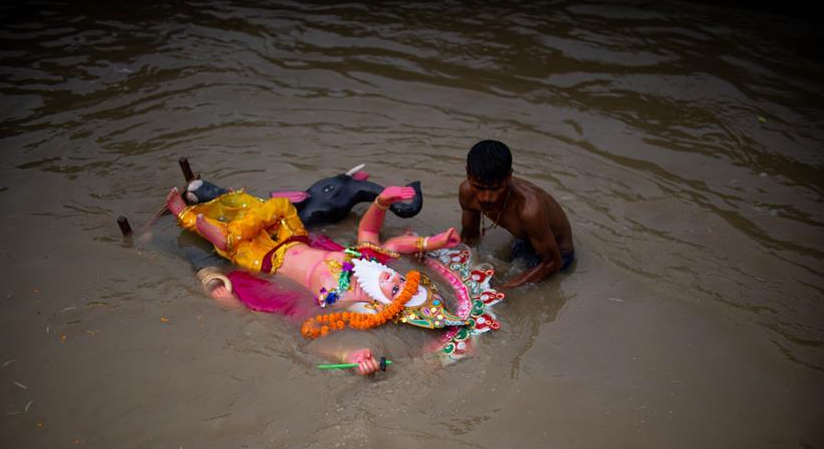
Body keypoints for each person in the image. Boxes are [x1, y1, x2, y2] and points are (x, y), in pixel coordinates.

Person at [166, 185, 465, 375]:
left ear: (386, 305)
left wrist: (352, 354)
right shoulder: (366, 263)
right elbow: (373, 235)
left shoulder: (344, 305)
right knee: (276, 207)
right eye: (402, 278)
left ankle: (194, 222)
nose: (392, 276)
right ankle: (222, 225)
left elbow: (309, 338)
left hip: (266, 260)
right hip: (292, 236)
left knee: (230, 248)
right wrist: (382, 202)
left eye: (396, 289)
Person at [458, 140, 574, 288]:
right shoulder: (467, 193)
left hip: (558, 254)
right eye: (479, 187)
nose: (486, 198)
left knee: (509, 293)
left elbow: (553, 262)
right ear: (468, 174)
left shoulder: (530, 209)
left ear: (509, 177)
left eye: (496, 188)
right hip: (526, 240)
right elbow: (470, 238)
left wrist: (505, 289)